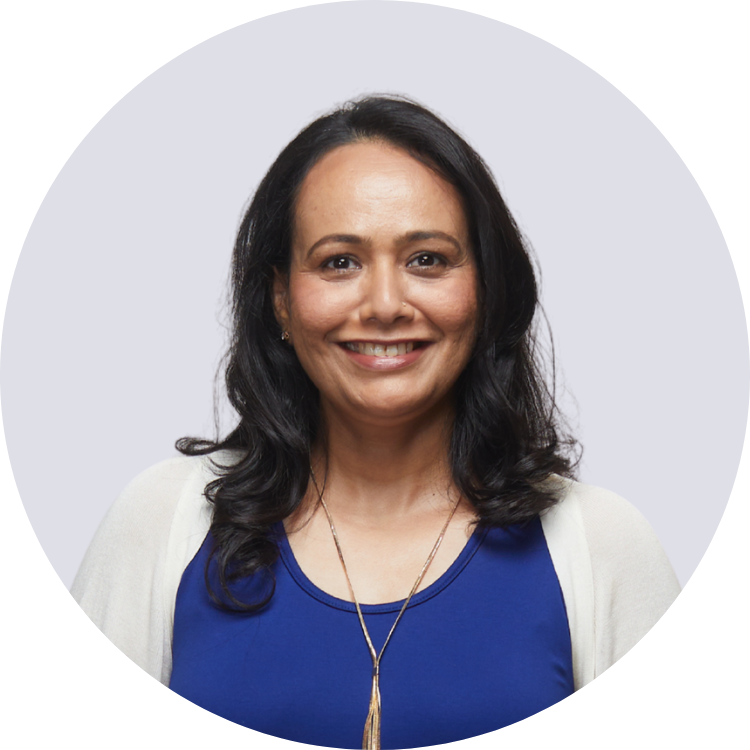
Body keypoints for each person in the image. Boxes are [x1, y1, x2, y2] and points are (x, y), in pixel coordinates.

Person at [71, 95, 680, 749]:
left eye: (427, 260)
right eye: (340, 262)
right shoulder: (160, 523)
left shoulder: (602, 545)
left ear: (486, 290)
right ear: (280, 299)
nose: (385, 305)